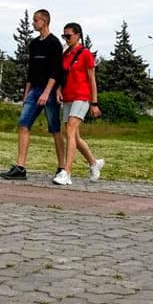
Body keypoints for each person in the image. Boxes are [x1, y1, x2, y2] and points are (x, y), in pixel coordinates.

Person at [0, 9, 65, 181]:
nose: (33, 23)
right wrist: (27, 93)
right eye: (34, 20)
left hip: (48, 90)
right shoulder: (34, 44)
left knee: (54, 129)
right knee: (23, 124)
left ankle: (62, 167)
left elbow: (55, 71)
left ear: (45, 21)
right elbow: (31, 71)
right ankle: (20, 167)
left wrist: (47, 92)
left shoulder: (54, 43)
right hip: (34, 89)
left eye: (36, 20)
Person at [53, 23, 104, 185]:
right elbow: (63, 75)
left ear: (78, 35)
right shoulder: (65, 54)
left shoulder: (86, 54)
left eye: (68, 36)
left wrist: (94, 103)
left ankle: (66, 173)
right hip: (68, 97)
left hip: (82, 97)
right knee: (74, 135)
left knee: (69, 129)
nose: (66, 39)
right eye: (64, 36)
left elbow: (92, 80)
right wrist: (59, 89)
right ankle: (94, 163)